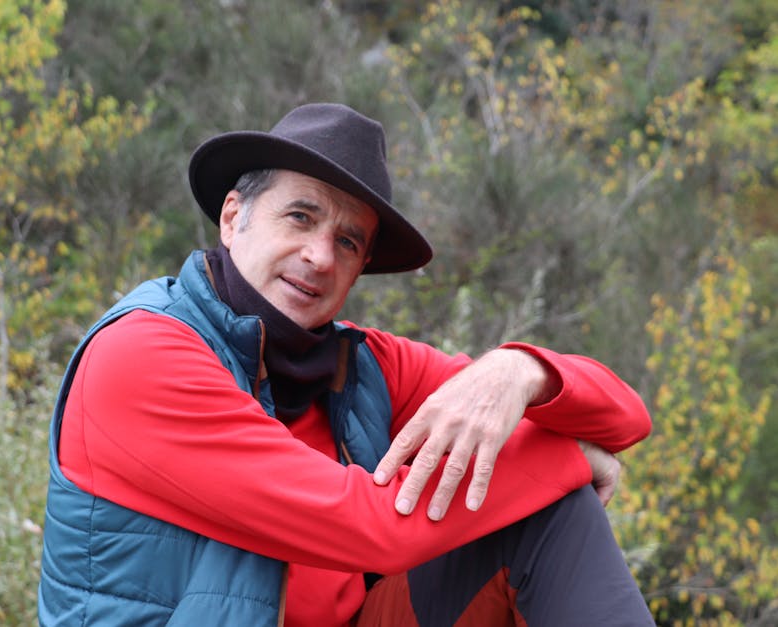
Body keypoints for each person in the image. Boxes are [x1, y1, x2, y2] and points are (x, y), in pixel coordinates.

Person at [37, 103, 655, 626]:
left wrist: (519, 372)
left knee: (548, 510)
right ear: (232, 217)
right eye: (300, 217)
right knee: (542, 484)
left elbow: (625, 419)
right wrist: (573, 460)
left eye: (347, 241)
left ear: (359, 269)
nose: (320, 257)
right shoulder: (141, 355)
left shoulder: (360, 365)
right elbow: (372, 527)